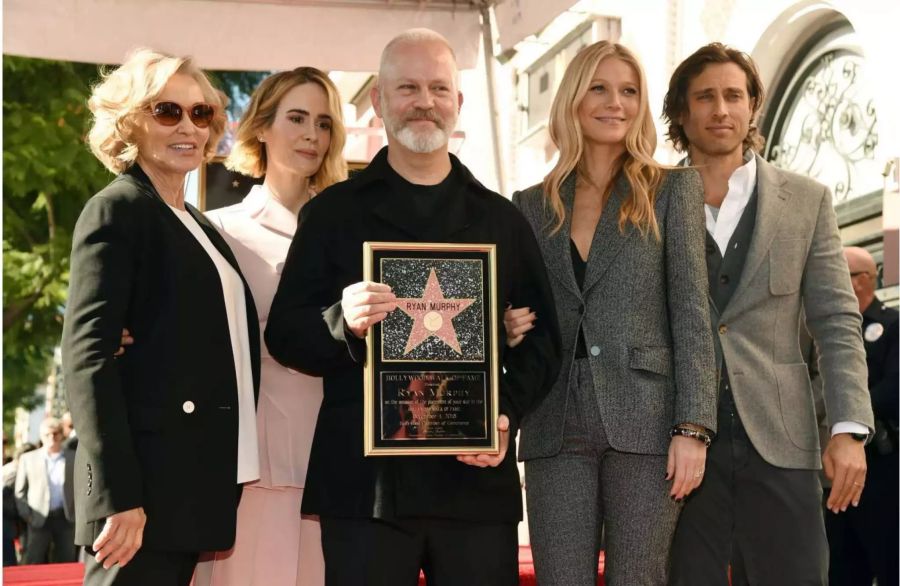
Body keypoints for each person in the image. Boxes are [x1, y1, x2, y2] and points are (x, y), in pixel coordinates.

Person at [265, 28, 561, 586]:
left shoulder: (501, 220)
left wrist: (505, 417)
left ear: (457, 103)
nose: (424, 102)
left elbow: (544, 341)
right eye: (407, 88)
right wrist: (342, 323)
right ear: (377, 100)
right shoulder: (332, 214)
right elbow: (284, 334)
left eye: (438, 88)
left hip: (474, 482)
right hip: (365, 488)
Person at [503, 41, 716, 585]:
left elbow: (692, 313)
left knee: (638, 579)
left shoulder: (673, 190)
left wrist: (693, 427)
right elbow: (521, 306)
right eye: (599, 87)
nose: (615, 102)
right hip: (553, 418)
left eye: (628, 91)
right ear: (572, 98)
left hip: (646, 419)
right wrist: (508, 327)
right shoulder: (528, 203)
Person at [661, 42, 874, 585]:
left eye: (734, 95)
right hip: (677, 444)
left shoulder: (807, 200)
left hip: (782, 439)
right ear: (682, 112)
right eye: (705, 97)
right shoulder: (650, 198)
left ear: (754, 105)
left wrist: (849, 428)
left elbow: (835, 319)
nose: (721, 109)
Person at [62, 48, 261, 586]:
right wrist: (119, 496)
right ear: (129, 123)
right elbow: (87, 356)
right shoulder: (119, 208)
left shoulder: (195, 222)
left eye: (201, 114)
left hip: (190, 485)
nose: (189, 127)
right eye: (166, 111)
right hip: (141, 497)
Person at [192, 66, 347, 586]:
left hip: (344, 454)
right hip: (258, 463)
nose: (311, 135)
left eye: (323, 123)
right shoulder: (220, 230)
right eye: (297, 118)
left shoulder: (350, 232)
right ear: (261, 126)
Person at [824, 246, 897, 586]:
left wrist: (847, 410)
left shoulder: (892, 324)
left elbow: (894, 391)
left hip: (882, 463)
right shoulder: (825, 332)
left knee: (888, 557)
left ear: (862, 280)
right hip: (835, 466)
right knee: (841, 562)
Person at [13, 418, 77, 564]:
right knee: (32, 561)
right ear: (41, 436)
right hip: (38, 518)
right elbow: (20, 492)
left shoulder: (73, 457)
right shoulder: (28, 459)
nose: (52, 438)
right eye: (47, 434)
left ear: (61, 435)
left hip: (66, 518)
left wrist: (77, 513)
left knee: (66, 562)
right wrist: (28, 516)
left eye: (55, 433)